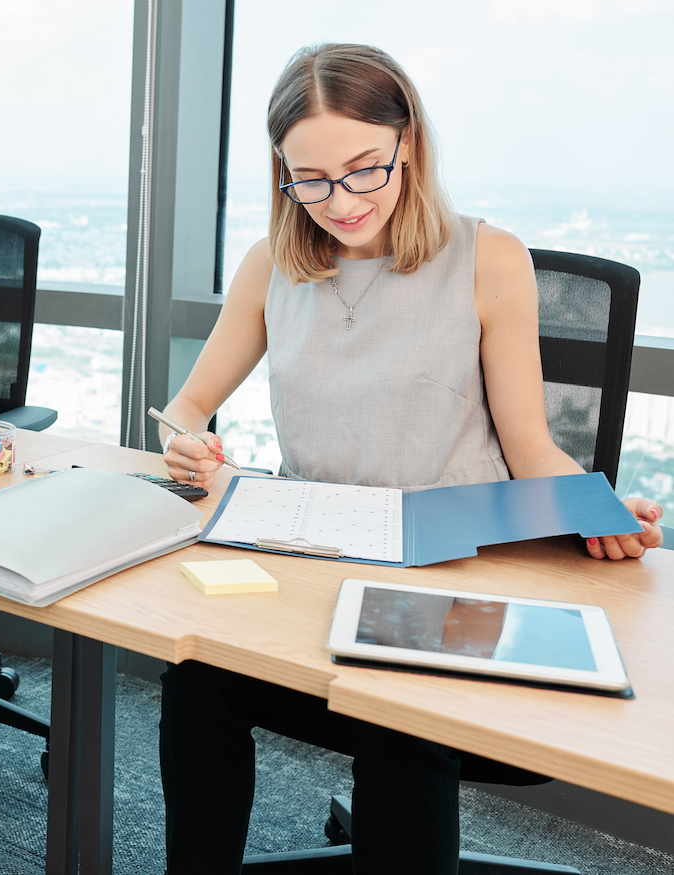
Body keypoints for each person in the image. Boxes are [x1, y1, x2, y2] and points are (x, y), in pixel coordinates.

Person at [155, 43, 663, 875]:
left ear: (409, 144)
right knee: (195, 682)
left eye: (364, 169)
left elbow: (531, 446)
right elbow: (185, 406)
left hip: (452, 579)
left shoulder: (488, 258)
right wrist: (182, 438)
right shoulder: (271, 265)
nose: (340, 200)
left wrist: (597, 508)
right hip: (312, 570)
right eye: (308, 179)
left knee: (403, 718)